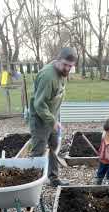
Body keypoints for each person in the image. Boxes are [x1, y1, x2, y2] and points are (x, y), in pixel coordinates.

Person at [28, 47, 77, 187]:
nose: (67, 68)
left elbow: (55, 97)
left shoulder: (62, 72)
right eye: (65, 64)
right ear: (58, 60)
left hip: (52, 119)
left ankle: (53, 178)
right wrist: (52, 121)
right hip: (40, 120)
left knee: (54, 147)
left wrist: (56, 119)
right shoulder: (48, 76)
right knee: (38, 152)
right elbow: (39, 104)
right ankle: (31, 185)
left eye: (70, 66)